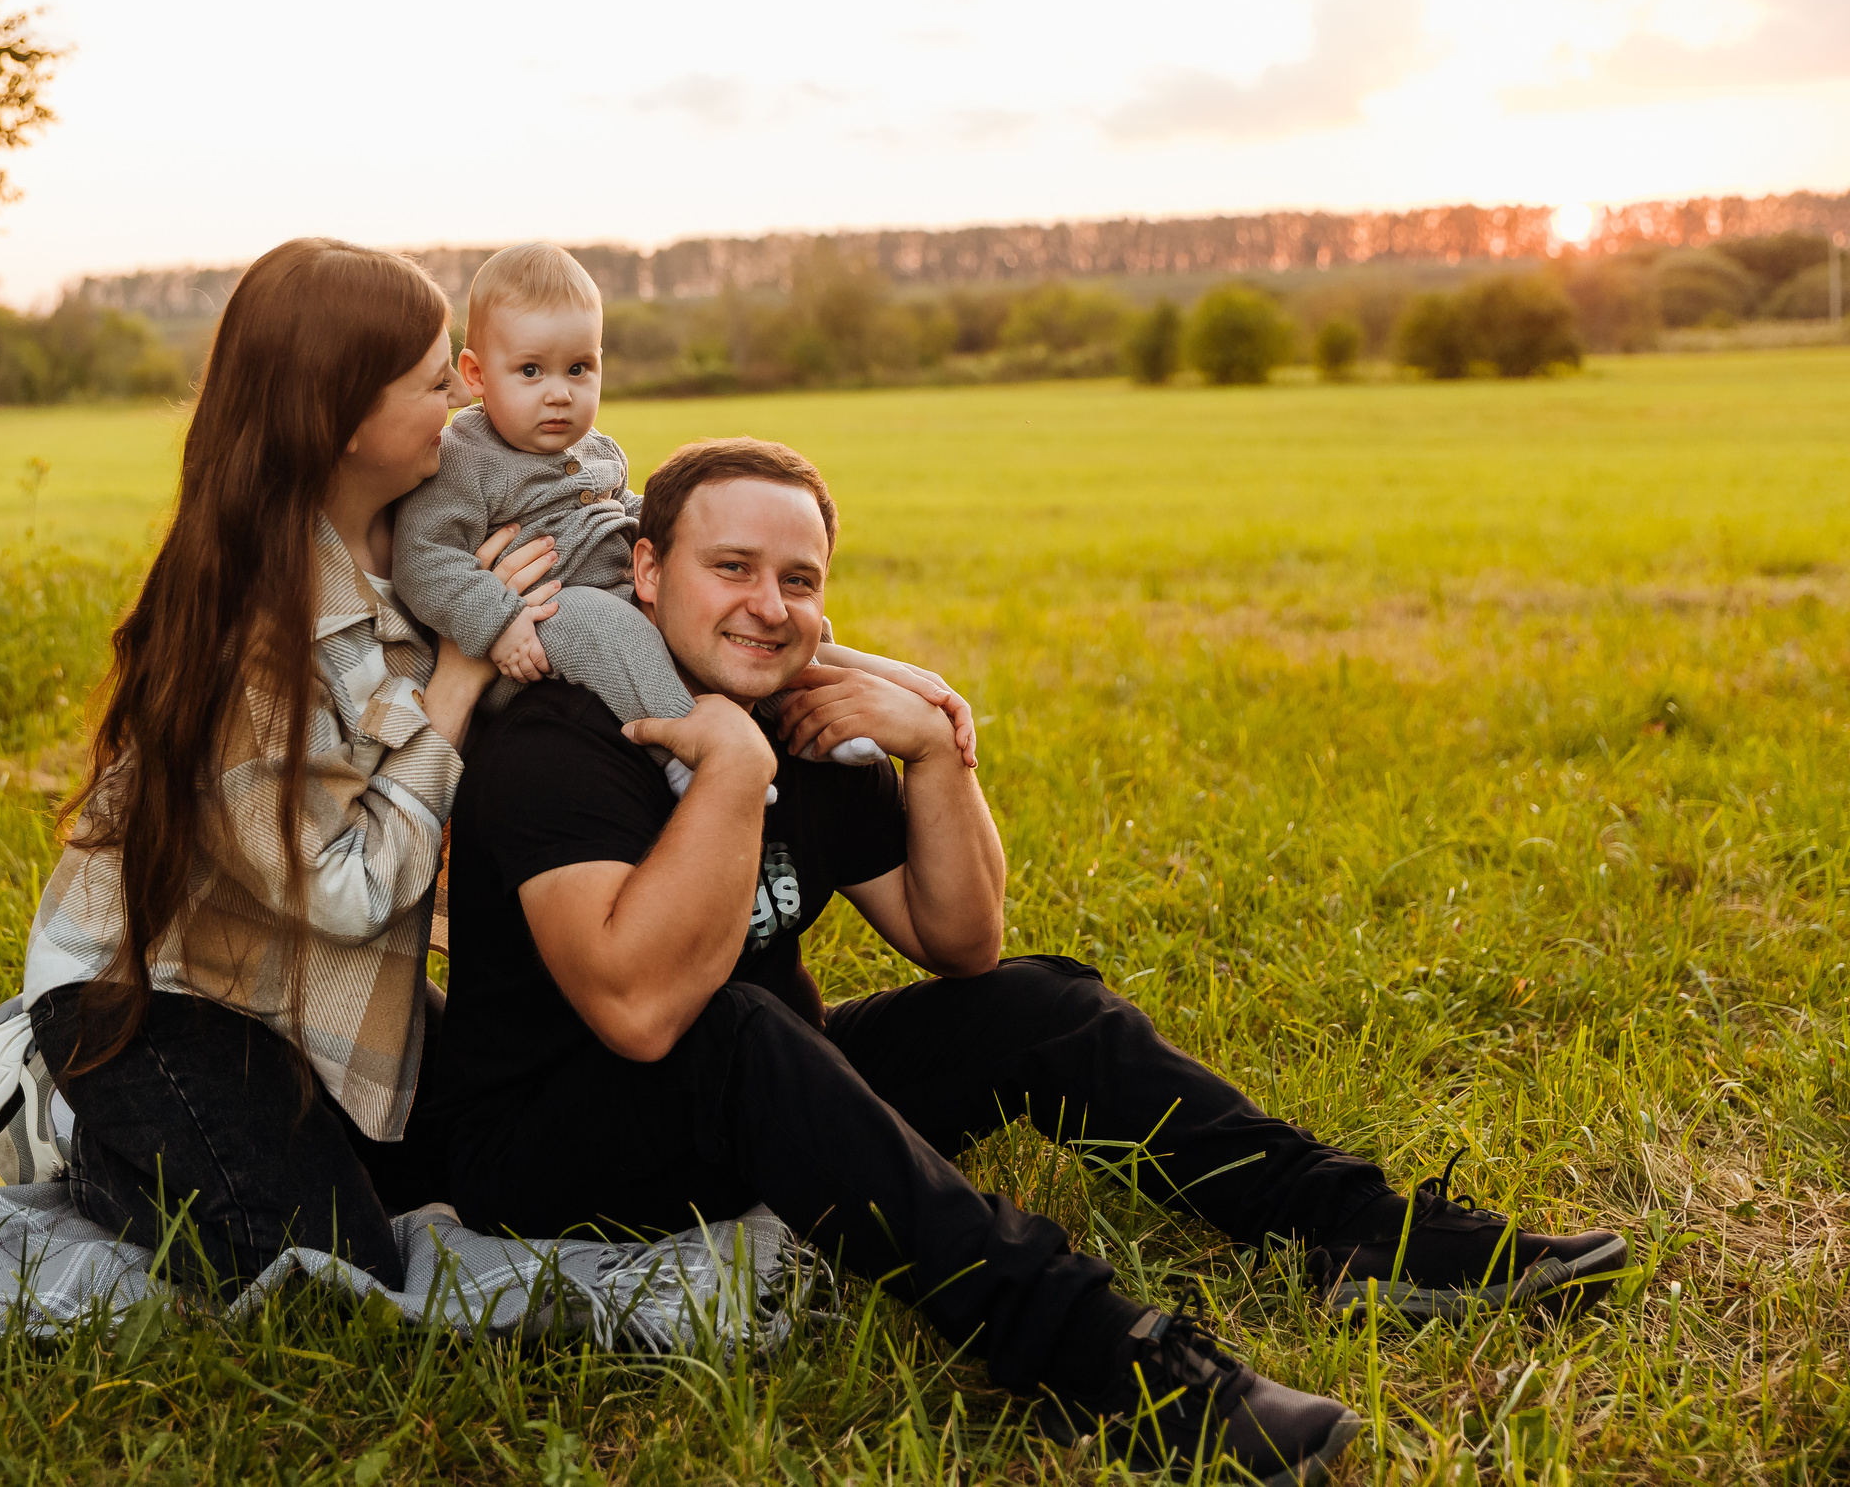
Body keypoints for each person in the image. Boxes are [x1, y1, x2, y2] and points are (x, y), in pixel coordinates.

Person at [432, 436, 1629, 1484]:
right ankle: (1111, 1364)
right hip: (549, 1150)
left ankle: (1363, 1233)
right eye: (730, 568)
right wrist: (734, 774)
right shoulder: (560, 742)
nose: (769, 606)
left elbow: (959, 942)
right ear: (645, 572)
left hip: (764, 1097)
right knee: (741, 1033)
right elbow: (639, 1014)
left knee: (1037, 1003)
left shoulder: (798, 715)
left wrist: (938, 755)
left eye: (799, 580)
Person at [18, 237, 561, 1291]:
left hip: (310, 990)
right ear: (343, 418)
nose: (460, 394)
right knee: (333, 1270)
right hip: (155, 1002)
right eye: (430, 377)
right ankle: (98, 1146)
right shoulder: (253, 635)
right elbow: (350, 889)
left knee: (505, 1172)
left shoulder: (428, 536)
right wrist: (457, 673)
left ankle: (252, 1134)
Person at [391, 243, 970, 793]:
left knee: (752, 618)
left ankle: (813, 718)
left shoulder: (595, 448)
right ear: (474, 373)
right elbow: (423, 559)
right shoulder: (462, 461)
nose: (560, 394)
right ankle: (686, 750)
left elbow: (633, 511)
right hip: (538, 625)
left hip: (615, 594)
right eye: (530, 372)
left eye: (578, 369)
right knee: (608, 623)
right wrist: (498, 621)